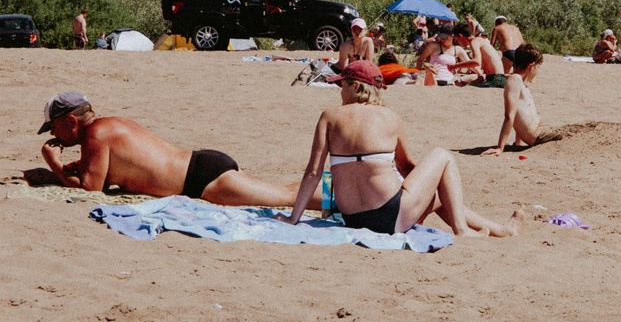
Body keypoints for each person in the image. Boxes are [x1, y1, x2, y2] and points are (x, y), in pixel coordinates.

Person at [279, 61, 522, 236]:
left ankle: (499, 230)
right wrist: (430, 185)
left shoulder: (329, 116)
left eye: (342, 85)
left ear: (355, 86)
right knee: (442, 156)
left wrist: (293, 218)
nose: (340, 91)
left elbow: (313, 172)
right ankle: (462, 229)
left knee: (438, 197)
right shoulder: (391, 117)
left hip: (352, 219)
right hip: (390, 216)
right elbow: (406, 166)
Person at [36, 91, 320, 207]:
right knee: (284, 191)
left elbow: (91, 189)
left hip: (201, 179)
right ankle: (339, 189)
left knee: (286, 197)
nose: (53, 134)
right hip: (200, 166)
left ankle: (345, 196)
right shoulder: (108, 126)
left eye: (54, 127)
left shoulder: (96, 136)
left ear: (72, 121)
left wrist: (55, 164)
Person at [483, 44, 553, 156]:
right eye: (538, 68)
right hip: (539, 135)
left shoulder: (520, 82)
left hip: (541, 131)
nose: (537, 71)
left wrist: (517, 143)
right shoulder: (514, 80)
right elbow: (510, 115)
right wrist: (500, 148)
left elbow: (521, 114)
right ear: (531, 66)